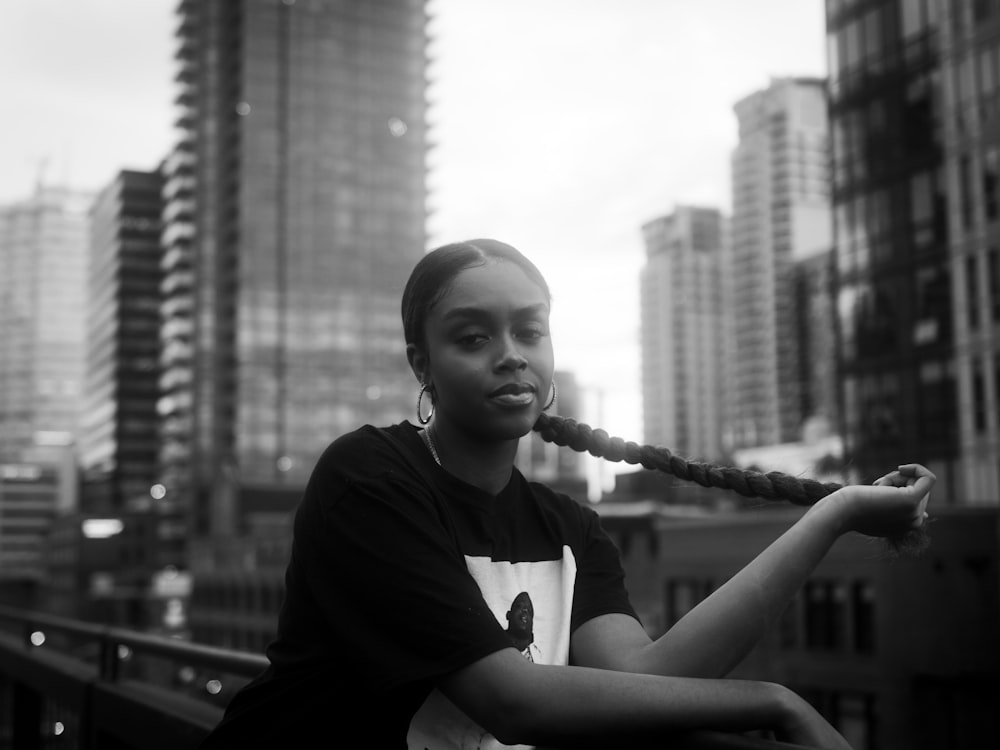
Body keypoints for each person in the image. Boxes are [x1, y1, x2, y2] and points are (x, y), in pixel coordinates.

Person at [199, 239, 934, 750]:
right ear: (422, 364)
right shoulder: (367, 479)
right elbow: (512, 702)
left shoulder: (568, 527)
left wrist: (835, 514)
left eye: (529, 330)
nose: (511, 353)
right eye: (473, 337)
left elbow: (649, 681)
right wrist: (775, 700)